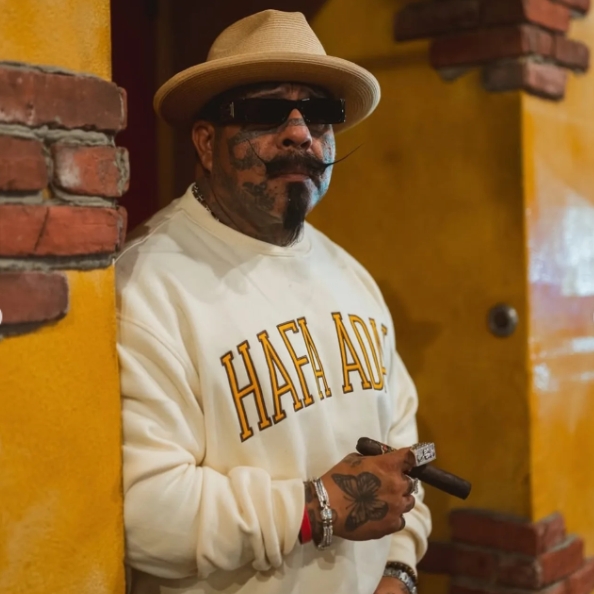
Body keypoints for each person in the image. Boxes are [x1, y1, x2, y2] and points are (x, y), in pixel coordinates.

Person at [116, 9, 431, 594]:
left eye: (319, 112)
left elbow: (402, 453)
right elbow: (142, 513)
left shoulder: (351, 275)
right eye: (264, 112)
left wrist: (399, 570)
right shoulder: (146, 286)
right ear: (206, 142)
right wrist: (318, 507)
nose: (298, 134)